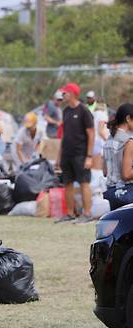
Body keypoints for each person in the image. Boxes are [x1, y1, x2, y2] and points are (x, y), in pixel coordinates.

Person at [55, 82, 95, 224]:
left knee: (84, 183)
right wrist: (59, 157)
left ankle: (88, 214)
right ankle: (70, 214)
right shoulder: (66, 111)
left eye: (64, 93)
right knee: (68, 183)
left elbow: (91, 133)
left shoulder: (84, 110)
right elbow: (64, 135)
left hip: (81, 154)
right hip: (67, 154)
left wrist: (89, 156)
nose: (62, 95)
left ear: (71, 93)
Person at [102, 103, 133, 210]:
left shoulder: (108, 140)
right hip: (127, 193)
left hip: (111, 193)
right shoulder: (128, 142)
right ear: (128, 118)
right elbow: (127, 174)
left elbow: (105, 172)